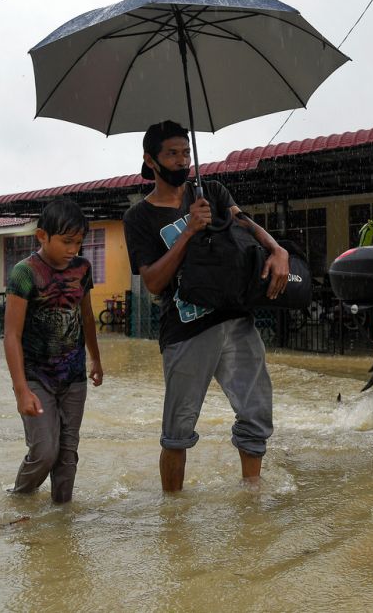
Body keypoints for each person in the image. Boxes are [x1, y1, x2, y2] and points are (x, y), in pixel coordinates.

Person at [122, 120, 289, 492]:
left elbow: (244, 223)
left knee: (255, 411)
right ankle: (173, 512)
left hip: (235, 317)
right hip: (186, 329)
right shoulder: (139, 217)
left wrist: (278, 250)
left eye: (186, 152)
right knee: (179, 428)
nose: (182, 161)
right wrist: (188, 232)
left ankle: (252, 496)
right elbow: (152, 281)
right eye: (172, 153)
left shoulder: (211, 191)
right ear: (151, 160)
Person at [4, 198, 103, 503]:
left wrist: (96, 359)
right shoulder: (24, 273)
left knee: (67, 456)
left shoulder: (82, 269)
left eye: (79, 242)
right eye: (66, 242)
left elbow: (86, 316)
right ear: (42, 236)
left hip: (74, 377)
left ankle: (62, 523)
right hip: (36, 377)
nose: (73, 249)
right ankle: (19, 500)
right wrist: (21, 390)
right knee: (45, 451)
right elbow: (11, 334)